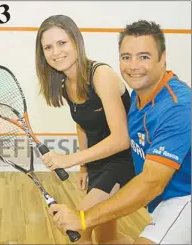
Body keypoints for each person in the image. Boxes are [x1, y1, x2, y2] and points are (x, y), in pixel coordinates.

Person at [48, 20, 191, 244]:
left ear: (163, 58)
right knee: (106, 239)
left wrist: (83, 219)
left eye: (144, 56)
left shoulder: (178, 106)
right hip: (160, 201)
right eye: (126, 57)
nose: (133, 66)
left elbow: (151, 182)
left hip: (184, 198)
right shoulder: (138, 96)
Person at [35, 15, 135, 244]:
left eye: (62, 43)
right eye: (48, 47)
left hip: (124, 161)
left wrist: (69, 159)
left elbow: (122, 139)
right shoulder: (64, 84)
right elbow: (82, 123)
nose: (56, 52)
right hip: (100, 162)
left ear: (76, 41)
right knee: (107, 238)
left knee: (78, 225)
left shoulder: (101, 75)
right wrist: (84, 167)